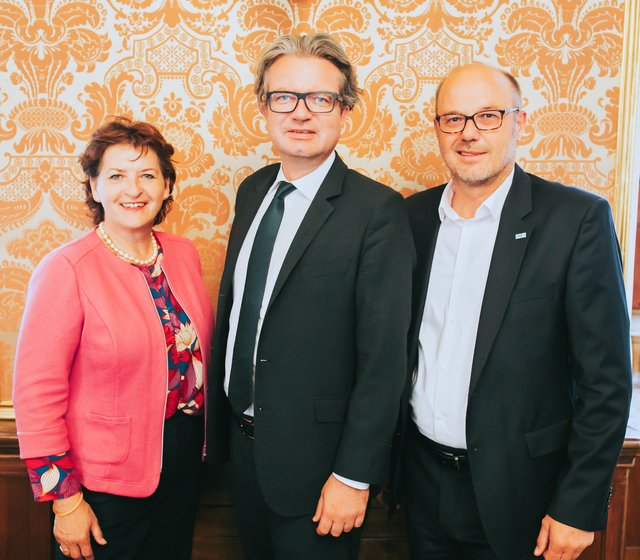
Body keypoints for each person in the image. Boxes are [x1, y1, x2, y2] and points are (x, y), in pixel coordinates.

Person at [397, 62, 632, 560]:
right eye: (453, 119)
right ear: (437, 128)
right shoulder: (411, 220)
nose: (469, 133)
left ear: (518, 122)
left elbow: (606, 383)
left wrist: (579, 504)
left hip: (524, 496)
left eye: (487, 116)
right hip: (420, 484)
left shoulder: (576, 220)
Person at [205, 32, 413, 560]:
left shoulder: (377, 212)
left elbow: (385, 360)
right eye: (284, 97)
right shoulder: (253, 191)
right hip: (244, 454)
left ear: (345, 111)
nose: (301, 112)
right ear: (263, 108)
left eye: (320, 98)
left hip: (323, 474)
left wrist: (353, 475)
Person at [13, 117, 213, 560]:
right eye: (117, 175)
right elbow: (36, 394)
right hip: (102, 481)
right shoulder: (66, 269)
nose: (133, 189)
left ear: (165, 185)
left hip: (182, 465)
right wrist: (65, 500)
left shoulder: (183, 255)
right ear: (94, 185)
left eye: (147, 175)